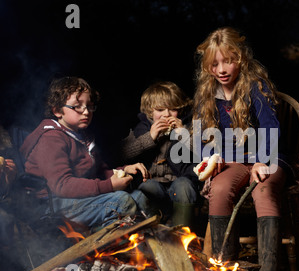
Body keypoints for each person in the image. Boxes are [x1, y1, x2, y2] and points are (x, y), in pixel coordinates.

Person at [191, 27, 289, 271]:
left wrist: (262, 161)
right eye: (214, 64)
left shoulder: (256, 86)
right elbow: (201, 138)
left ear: (241, 59)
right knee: (220, 190)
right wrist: (211, 156)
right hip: (232, 162)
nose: (221, 69)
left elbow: (272, 130)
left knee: (264, 191)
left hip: (267, 158)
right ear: (207, 66)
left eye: (228, 61)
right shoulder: (207, 93)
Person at [20, 76, 153, 232]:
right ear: (57, 110)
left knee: (140, 197)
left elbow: (100, 172)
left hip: (78, 197)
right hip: (52, 203)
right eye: (77, 106)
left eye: (89, 106)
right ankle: (98, 245)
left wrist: (123, 171)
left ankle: (152, 246)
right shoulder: (51, 139)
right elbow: (62, 185)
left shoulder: (83, 135)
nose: (86, 112)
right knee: (121, 202)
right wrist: (109, 185)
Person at [120, 81, 198, 227]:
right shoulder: (142, 128)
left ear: (179, 110)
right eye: (160, 110)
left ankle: (182, 236)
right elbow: (124, 153)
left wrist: (184, 134)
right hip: (154, 185)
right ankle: (155, 233)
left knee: (184, 185)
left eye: (172, 109)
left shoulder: (187, 127)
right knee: (147, 187)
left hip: (178, 184)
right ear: (150, 111)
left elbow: (203, 152)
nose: (166, 115)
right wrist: (150, 136)